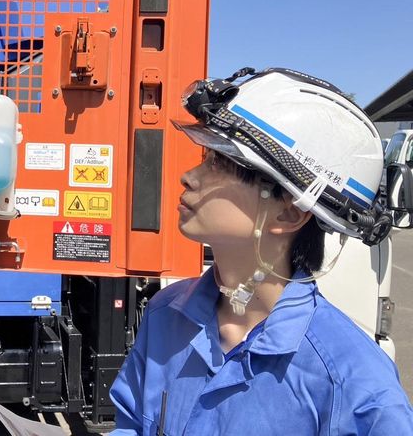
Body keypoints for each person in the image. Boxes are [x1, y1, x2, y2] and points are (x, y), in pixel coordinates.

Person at [110, 67, 413, 435]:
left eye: (220, 164)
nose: (189, 177)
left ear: (288, 212)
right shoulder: (166, 315)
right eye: (206, 158)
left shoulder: (353, 382)